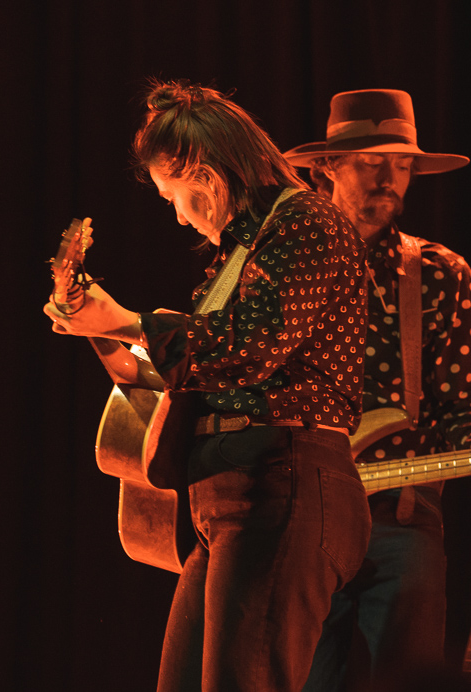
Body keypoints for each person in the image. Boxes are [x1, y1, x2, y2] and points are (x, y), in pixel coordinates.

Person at [44, 79, 373, 691]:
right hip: (229, 496)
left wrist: (127, 320)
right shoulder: (241, 254)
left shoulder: (306, 222)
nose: (175, 212)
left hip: (285, 483)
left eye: (172, 193)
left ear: (204, 171)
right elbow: (181, 374)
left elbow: (246, 347)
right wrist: (103, 330)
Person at [285, 89, 471, 689]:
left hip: (404, 517)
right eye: (371, 161)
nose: (390, 177)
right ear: (326, 168)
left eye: (403, 163)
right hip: (303, 520)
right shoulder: (285, 263)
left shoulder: (442, 273)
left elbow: (459, 407)